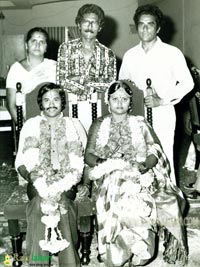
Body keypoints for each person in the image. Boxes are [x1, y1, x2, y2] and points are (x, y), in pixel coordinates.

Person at [84, 80, 188, 266]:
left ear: (130, 103)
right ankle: (119, 247)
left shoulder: (140, 123)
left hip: (138, 170)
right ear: (108, 101)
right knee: (117, 186)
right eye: (115, 98)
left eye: (124, 99)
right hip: (109, 172)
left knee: (140, 191)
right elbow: (89, 155)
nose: (120, 103)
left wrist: (146, 165)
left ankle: (141, 243)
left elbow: (155, 149)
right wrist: (110, 163)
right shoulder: (99, 124)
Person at [119, 4, 194, 184]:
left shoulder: (172, 53)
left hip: (162, 114)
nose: (145, 28)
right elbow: (122, 85)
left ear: (158, 27)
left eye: (150, 24)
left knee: (163, 155)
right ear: (136, 27)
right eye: (141, 24)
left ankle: (169, 202)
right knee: (137, 157)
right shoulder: (130, 55)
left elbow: (188, 83)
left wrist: (162, 100)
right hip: (136, 115)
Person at [15, 82, 87, 267]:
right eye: (46, 100)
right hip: (38, 179)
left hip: (67, 179)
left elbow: (82, 160)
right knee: (39, 203)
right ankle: (37, 263)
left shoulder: (74, 124)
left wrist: (72, 181)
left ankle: (69, 263)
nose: (51, 104)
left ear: (63, 102)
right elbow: (21, 162)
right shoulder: (31, 125)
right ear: (41, 104)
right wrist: (33, 177)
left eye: (56, 99)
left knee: (63, 203)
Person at [57, 3, 117, 131]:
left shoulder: (108, 54)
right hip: (70, 109)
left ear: (100, 27)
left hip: (99, 111)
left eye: (94, 23)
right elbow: (61, 81)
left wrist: (80, 80)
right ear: (78, 24)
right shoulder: (65, 48)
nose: (90, 26)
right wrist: (95, 83)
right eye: (86, 22)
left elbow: (110, 85)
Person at [6, 27, 56, 123]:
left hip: (53, 120)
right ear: (26, 45)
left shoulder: (54, 66)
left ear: (46, 47)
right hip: (28, 121)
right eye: (33, 41)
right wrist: (24, 127)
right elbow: (11, 105)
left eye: (42, 42)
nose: (37, 45)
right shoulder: (16, 69)